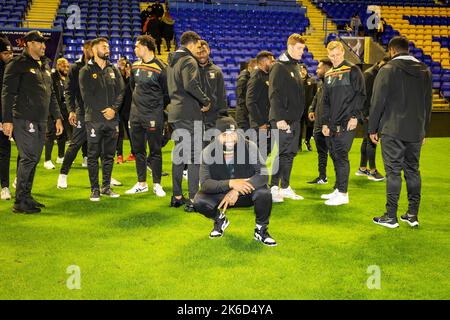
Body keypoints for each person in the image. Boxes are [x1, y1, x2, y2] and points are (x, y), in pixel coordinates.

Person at [370, 36, 432, 229]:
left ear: (392, 51)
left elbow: (377, 102)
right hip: (415, 130)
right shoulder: (425, 71)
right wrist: (423, 131)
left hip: (392, 129)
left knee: (393, 173)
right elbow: (427, 104)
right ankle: (412, 214)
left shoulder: (387, 70)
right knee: (413, 171)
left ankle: (391, 216)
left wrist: (372, 128)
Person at [2, 30, 63, 213]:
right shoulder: (17, 64)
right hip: (23, 118)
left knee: (34, 158)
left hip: (41, 120)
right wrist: (7, 120)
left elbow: (51, 95)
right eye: (39, 43)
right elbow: (7, 93)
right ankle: (20, 201)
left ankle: (26, 196)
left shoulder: (44, 65)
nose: (43, 46)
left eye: (43, 43)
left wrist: (58, 117)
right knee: (28, 158)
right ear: (28, 44)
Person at [193, 116, 277, 246]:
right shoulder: (207, 152)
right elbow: (205, 184)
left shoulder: (250, 147)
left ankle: (261, 229)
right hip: (221, 194)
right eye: (225, 135)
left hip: (245, 192)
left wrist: (236, 190)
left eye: (233, 134)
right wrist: (230, 184)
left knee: (264, 193)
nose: (230, 138)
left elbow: (263, 174)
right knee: (199, 201)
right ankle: (219, 220)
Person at [166, 31, 211, 212]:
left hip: (175, 113)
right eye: (197, 46)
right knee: (194, 158)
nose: (198, 49)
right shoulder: (189, 60)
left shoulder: (171, 61)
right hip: (189, 114)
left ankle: (177, 196)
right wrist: (206, 100)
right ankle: (193, 198)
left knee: (179, 156)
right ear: (191, 44)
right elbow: (190, 84)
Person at [79, 38, 125, 202]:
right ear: (93, 50)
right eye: (103, 46)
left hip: (112, 120)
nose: (107, 48)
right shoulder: (85, 70)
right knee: (93, 155)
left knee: (109, 155)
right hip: (94, 119)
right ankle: (94, 189)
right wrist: (104, 110)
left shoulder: (113, 69)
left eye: (108, 46)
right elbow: (86, 96)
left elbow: (121, 91)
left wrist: (113, 109)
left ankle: (106, 187)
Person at [320, 41, 366, 206]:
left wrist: (355, 116)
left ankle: (343, 193)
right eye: (331, 56)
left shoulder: (353, 70)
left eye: (337, 54)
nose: (335, 58)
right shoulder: (329, 74)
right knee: (334, 154)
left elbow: (361, 95)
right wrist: (325, 123)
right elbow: (325, 101)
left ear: (343, 53)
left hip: (347, 122)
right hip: (331, 123)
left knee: (341, 156)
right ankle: (338, 189)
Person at [125, 35, 169, 198]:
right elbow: (132, 86)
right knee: (138, 150)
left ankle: (157, 184)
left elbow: (167, 93)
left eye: (137, 46)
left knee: (155, 150)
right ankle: (141, 183)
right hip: (135, 114)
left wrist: (155, 107)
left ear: (145, 47)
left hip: (153, 115)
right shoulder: (135, 66)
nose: (135, 49)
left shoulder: (161, 68)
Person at [269, 33, 306, 203]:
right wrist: (279, 118)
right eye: (299, 48)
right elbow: (274, 94)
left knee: (289, 153)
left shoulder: (295, 66)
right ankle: (275, 187)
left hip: (294, 120)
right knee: (282, 152)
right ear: (290, 47)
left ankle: (282, 187)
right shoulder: (279, 66)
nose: (301, 52)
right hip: (282, 120)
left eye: (302, 49)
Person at [355, 57, 390, 182]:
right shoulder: (370, 75)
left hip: (370, 112)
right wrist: (367, 114)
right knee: (371, 140)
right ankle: (373, 171)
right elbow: (364, 95)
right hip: (368, 113)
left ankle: (362, 168)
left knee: (366, 140)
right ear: (380, 62)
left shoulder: (377, 73)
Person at [307, 58, 333, 185]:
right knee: (321, 153)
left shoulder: (335, 83)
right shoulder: (322, 83)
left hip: (328, 125)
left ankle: (340, 184)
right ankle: (322, 176)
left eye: (319, 68)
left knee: (335, 155)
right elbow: (316, 98)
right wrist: (311, 109)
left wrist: (328, 123)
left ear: (327, 68)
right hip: (318, 125)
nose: (317, 70)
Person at [246, 50, 275, 157]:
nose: (273, 63)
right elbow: (250, 101)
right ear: (263, 62)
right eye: (271, 61)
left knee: (265, 151)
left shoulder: (267, 75)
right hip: (260, 124)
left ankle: (261, 173)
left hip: (267, 121)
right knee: (258, 153)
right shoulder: (256, 77)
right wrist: (260, 122)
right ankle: (256, 174)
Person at [44, 58, 71, 170]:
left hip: (65, 110)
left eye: (67, 66)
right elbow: (52, 94)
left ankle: (60, 156)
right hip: (53, 110)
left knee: (63, 134)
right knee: (50, 134)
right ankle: (47, 160)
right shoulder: (53, 76)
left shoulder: (67, 78)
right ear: (58, 66)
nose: (66, 68)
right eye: (63, 66)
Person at [196, 40, 227, 131]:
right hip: (195, 115)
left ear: (209, 51)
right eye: (198, 52)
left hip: (213, 117)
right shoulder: (191, 71)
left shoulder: (217, 71)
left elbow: (222, 95)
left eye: (204, 51)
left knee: (213, 144)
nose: (201, 54)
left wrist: (222, 115)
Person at [0, 35, 13, 201]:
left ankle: (20, 180)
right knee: (4, 152)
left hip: (18, 117)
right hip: (3, 118)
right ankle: (4, 186)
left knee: (26, 152)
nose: (9, 56)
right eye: (5, 53)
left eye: (10, 53)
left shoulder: (15, 69)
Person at [116, 57, 135, 164]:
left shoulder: (132, 79)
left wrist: (129, 76)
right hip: (119, 109)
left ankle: (133, 153)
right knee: (119, 134)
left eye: (125, 64)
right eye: (121, 63)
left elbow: (131, 90)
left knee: (130, 132)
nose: (122, 66)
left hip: (130, 110)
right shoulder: (117, 77)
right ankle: (119, 155)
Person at [299, 63, 317, 152]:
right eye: (300, 69)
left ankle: (307, 141)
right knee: (299, 127)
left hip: (309, 108)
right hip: (298, 109)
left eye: (304, 69)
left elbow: (315, 95)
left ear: (306, 70)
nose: (302, 71)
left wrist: (313, 108)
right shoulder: (295, 81)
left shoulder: (312, 80)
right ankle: (298, 145)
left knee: (310, 126)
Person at [235, 58, 257, 131]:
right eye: (255, 70)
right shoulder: (243, 79)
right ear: (249, 68)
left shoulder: (250, 76)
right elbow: (242, 98)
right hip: (244, 115)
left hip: (247, 114)